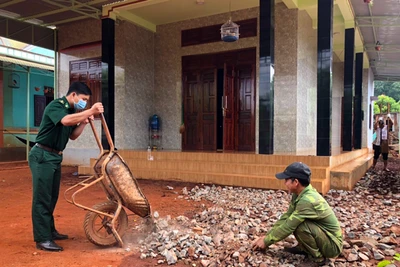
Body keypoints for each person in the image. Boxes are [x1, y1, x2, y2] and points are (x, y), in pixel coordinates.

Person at [29, 82, 104, 252]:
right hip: (42, 155)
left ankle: (49, 231)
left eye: (86, 101)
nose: (84, 103)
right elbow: (65, 121)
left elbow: (73, 137)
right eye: (83, 99)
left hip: (54, 157)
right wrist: (90, 111)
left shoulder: (71, 111)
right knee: (42, 198)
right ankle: (42, 239)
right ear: (73, 95)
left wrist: (84, 122)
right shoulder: (57, 105)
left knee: (52, 196)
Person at [252, 162, 343, 267]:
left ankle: (317, 259)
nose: (284, 183)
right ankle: (305, 247)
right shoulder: (298, 194)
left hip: (332, 246)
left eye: (286, 180)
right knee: (296, 221)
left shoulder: (307, 200)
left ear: (295, 182)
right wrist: (266, 237)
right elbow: (286, 217)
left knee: (299, 225)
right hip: (324, 237)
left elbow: (289, 225)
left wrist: (267, 242)